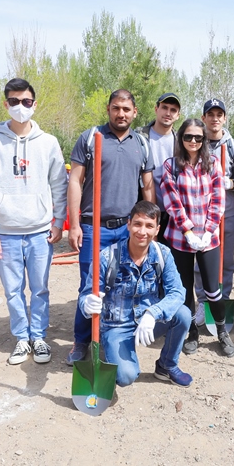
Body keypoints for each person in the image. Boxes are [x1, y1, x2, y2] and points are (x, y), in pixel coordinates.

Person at [0, 78, 67, 365]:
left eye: (26, 102)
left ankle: (38, 337)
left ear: (34, 105)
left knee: (39, 288)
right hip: (6, 233)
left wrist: (59, 221)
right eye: (14, 102)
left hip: (40, 231)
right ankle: (21, 338)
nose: (20, 107)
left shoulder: (48, 143)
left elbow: (59, 185)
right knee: (12, 290)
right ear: (6, 104)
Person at [66, 89, 156, 364]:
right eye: (116, 108)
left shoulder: (141, 143)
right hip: (95, 227)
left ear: (135, 112)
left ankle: (111, 337)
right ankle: (82, 341)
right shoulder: (91, 138)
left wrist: (149, 226)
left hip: (127, 229)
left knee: (123, 285)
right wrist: (74, 224)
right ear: (108, 109)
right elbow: (74, 182)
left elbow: (148, 186)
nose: (121, 114)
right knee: (90, 287)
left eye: (126, 109)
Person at [78, 201, 193, 387]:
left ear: (157, 230)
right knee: (125, 377)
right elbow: (85, 295)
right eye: (138, 224)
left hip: (148, 322)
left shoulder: (163, 254)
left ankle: (166, 366)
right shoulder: (107, 257)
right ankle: (113, 351)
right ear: (128, 224)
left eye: (149, 226)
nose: (142, 231)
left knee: (183, 314)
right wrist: (87, 303)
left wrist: (152, 314)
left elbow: (178, 292)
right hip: (117, 326)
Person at [161, 118, 234, 357]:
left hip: (208, 239)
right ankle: (191, 331)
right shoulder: (171, 165)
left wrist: (210, 229)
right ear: (181, 138)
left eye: (198, 138)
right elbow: (171, 201)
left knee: (213, 290)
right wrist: (188, 230)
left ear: (204, 140)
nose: (193, 141)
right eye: (188, 137)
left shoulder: (212, 164)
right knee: (185, 289)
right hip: (180, 238)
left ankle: (222, 330)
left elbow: (218, 198)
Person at [189, 98, 234, 326]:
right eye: (210, 114)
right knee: (199, 263)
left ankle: (223, 300)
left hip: (226, 214)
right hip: (200, 215)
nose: (215, 119)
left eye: (219, 114)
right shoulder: (195, 143)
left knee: (226, 261)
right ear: (204, 118)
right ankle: (203, 301)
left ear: (224, 118)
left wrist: (231, 183)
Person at [137, 92, 181, 245]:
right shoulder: (139, 137)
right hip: (144, 208)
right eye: (164, 108)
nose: (168, 113)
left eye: (173, 110)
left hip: (174, 211)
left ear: (178, 115)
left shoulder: (183, 141)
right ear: (156, 109)